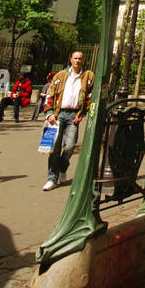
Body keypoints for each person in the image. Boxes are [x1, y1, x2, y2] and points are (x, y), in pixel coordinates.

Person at [42, 51, 94, 190]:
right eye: (75, 58)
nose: (77, 60)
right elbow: (50, 94)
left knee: (70, 146)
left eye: (80, 58)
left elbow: (90, 97)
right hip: (58, 115)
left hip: (74, 116)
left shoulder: (87, 77)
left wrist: (82, 113)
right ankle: (52, 178)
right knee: (55, 148)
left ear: (83, 60)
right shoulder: (60, 75)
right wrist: (49, 113)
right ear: (70, 59)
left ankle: (63, 168)